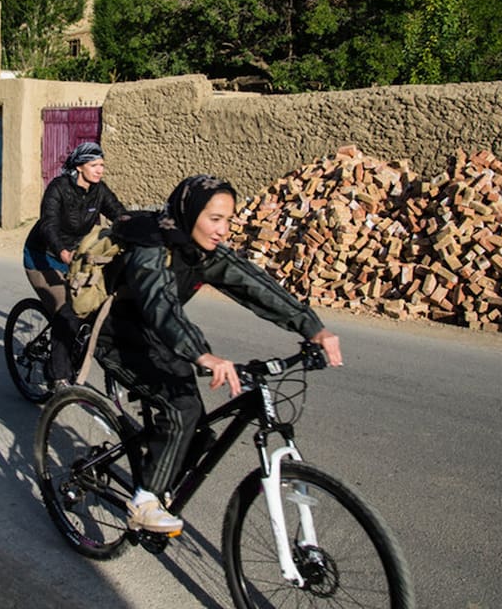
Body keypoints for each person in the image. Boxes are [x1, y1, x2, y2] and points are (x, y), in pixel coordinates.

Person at [93, 174, 343, 535]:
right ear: (190, 212)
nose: (223, 230)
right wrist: (202, 355)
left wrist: (312, 327)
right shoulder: (150, 247)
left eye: (228, 220)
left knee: (198, 431)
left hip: (161, 337)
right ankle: (145, 500)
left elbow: (253, 285)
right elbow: (159, 303)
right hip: (118, 336)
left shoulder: (201, 251)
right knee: (184, 411)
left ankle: (160, 468)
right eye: (215, 219)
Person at [22, 142, 125, 386]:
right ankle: (58, 376)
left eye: (102, 165)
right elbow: (48, 224)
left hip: (80, 260)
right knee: (67, 312)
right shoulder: (58, 188)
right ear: (79, 167)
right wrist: (63, 252)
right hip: (44, 258)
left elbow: (119, 213)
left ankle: (77, 349)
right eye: (94, 165)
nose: (100, 170)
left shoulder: (99, 190)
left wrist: (141, 226)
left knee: (100, 304)